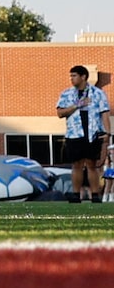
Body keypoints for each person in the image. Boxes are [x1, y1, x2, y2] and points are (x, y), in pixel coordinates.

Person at [59, 65, 103, 201]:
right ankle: (76, 195)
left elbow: (105, 112)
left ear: (83, 76)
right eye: (70, 76)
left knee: (91, 164)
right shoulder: (66, 94)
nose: (71, 78)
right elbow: (60, 113)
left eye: (74, 75)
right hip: (74, 134)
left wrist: (106, 133)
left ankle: (95, 195)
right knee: (77, 165)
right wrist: (77, 104)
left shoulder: (97, 93)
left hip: (92, 133)